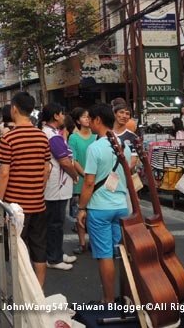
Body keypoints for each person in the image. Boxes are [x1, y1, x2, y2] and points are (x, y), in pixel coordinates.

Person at [77, 104, 131, 303]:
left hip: (99, 208)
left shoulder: (95, 147)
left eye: (90, 119)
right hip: (121, 206)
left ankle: (108, 299)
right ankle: (127, 295)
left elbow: (89, 182)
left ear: (98, 120)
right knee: (123, 254)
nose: (89, 123)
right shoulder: (124, 145)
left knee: (105, 255)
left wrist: (81, 208)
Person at [0, 93, 51, 287]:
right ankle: (38, 293)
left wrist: (0, 203)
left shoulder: (9, 138)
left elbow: (3, 173)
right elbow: (46, 168)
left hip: (16, 208)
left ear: (15, 109)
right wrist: (38, 189)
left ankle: (22, 293)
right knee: (39, 249)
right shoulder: (42, 136)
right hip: (38, 204)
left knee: (18, 250)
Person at [41, 103, 79, 271]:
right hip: (56, 187)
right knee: (55, 224)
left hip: (57, 187)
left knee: (56, 223)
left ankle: (57, 252)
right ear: (56, 116)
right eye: (62, 114)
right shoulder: (52, 136)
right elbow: (64, 161)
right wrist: (74, 175)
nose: (64, 117)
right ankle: (53, 258)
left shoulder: (52, 133)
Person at [68, 107, 96, 255]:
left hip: (95, 180)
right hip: (81, 180)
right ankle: (82, 243)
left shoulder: (96, 136)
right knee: (80, 212)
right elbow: (74, 159)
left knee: (93, 213)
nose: (87, 119)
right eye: (84, 117)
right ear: (78, 120)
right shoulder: (73, 138)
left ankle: (93, 241)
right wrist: (85, 173)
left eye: (89, 116)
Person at [112, 103, 138, 170]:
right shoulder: (106, 134)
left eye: (127, 114)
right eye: (121, 112)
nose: (124, 116)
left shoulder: (133, 137)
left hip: (125, 175)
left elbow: (133, 161)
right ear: (114, 114)